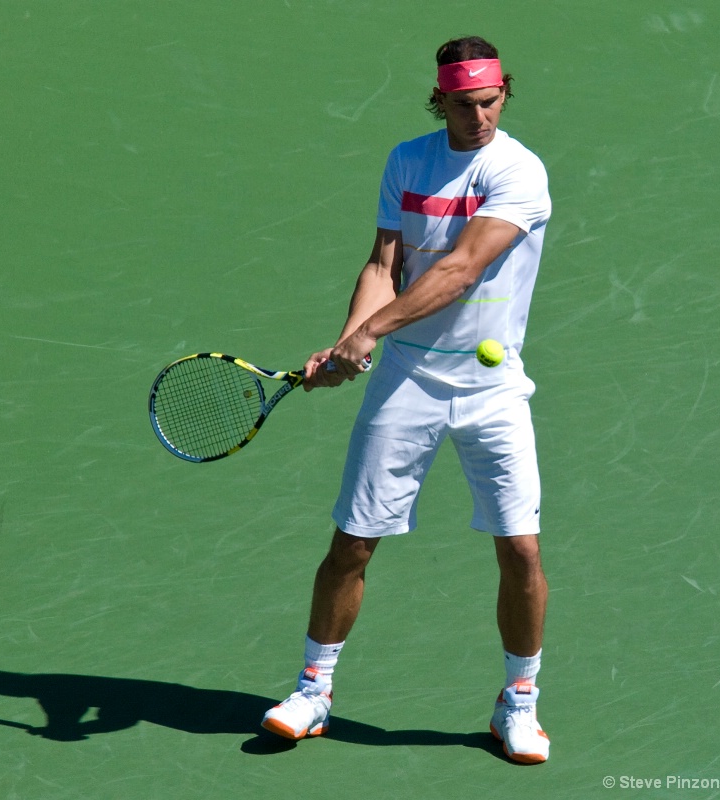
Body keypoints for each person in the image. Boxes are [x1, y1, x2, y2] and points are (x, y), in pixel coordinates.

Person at [261, 35, 552, 764]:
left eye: (490, 102)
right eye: (464, 104)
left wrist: (370, 334)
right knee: (352, 544)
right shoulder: (407, 161)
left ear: (503, 95)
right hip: (408, 382)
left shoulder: (517, 170)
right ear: (440, 99)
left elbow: (458, 268)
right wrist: (347, 342)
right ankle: (312, 689)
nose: (479, 116)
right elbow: (383, 261)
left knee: (519, 549)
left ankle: (517, 702)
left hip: (492, 387)